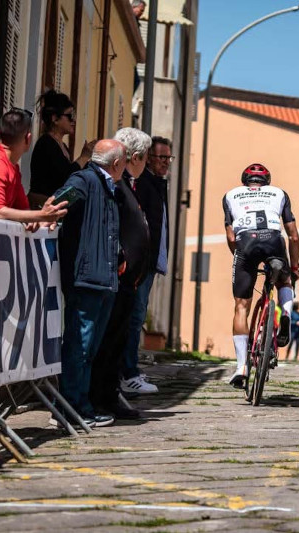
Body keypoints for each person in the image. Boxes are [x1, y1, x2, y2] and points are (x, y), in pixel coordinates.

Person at [55, 139, 127, 428]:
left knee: (90, 347)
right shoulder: (84, 180)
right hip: (86, 278)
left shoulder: (107, 185)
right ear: (118, 163)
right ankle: (70, 408)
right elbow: (57, 204)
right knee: (79, 345)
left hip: (102, 277)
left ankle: (81, 405)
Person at [89, 128, 152, 420]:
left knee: (116, 340)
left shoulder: (126, 183)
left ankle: (109, 394)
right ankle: (101, 397)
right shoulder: (114, 183)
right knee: (108, 341)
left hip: (128, 280)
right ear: (133, 157)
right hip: (117, 277)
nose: (146, 163)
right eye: (145, 157)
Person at [223, 163, 299, 387]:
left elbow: (230, 237)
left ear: (244, 181)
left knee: (241, 306)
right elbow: (294, 236)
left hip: (246, 243)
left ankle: (241, 367)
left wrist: (240, 259)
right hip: (274, 240)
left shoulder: (230, 195)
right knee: (285, 279)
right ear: (267, 182)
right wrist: (294, 267)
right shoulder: (279, 193)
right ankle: (285, 313)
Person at [119, 136, 172, 394]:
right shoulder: (141, 183)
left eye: (168, 158)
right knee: (134, 316)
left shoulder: (159, 184)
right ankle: (127, 372)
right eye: (161, 157)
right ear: (147, 158)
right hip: (140, 262)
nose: (166, 163)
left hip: (149, 262)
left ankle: (130, 369)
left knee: (137, 316)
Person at [0, 108, 68, 228]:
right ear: (28, 138)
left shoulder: (12, 168)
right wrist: (41, 215)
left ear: (0, 133)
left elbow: (23, 210)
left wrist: (41, 222)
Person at [28, 90, 95, 207]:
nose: (73, 121)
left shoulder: (62, 146)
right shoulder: (46, 144)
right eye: (70, 116)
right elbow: (66, 178)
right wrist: (84, 157)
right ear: (55, 119)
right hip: (42, 208)